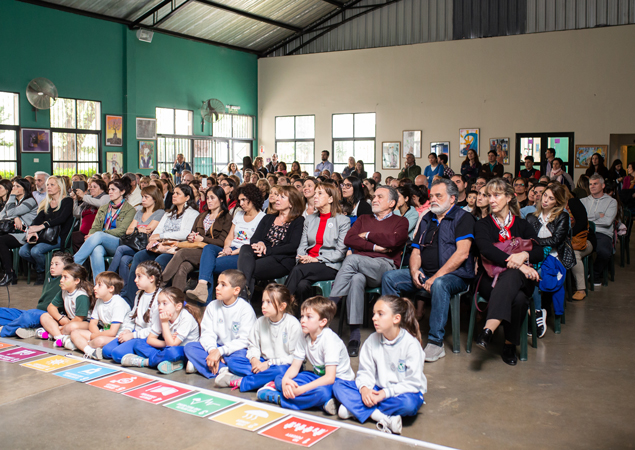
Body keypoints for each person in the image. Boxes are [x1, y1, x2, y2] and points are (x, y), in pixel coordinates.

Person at [381, 178, 475, 362]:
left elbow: (462, 254)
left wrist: (436, 277)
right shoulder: (427, 218)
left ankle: (435, 342)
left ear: (453, 199)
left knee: (440, 283)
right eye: (432, 196)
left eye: (439, 196)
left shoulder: (463, 218)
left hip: (455, 276)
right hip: (426, 273)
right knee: (389, 278)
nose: (433, 199)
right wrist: (415, 271)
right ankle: (393, 333)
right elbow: (416, 250)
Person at [328, 186, 409, 356]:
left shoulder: (401, 221)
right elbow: (349, 238)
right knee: (356, 279)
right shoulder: (363, 218)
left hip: (384, 266)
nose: (374, 199)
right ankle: (355, 336)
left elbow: (394, 240)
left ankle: (328, 308)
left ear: (392, 203)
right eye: (374, 196)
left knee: (351, 259)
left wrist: (368, 235)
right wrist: (375, 247)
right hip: (359, 267)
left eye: (380, 196)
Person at [474, 179, 544, 365]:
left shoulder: (523, 224)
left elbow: (538, 252)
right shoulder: (483, 225)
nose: (491, 200)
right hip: (491, 280)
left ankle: (488, 330)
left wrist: (523, 254)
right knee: (519, 298)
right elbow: (486, 250)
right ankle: (509, 344)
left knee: (513, 277)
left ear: (509, 197)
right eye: (489, 196)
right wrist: (519, 264)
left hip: (521, 280)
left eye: (496, 195)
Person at [333, 295, 426, 435]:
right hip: (376, 388)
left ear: (396, 319)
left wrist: (384, 393)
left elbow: (413, 383)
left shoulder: (411, 345)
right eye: (374, 314)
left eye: (380, 314)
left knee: (409, 405)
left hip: (401, 392)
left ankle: (355, 409)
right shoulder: (371, 341)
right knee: (338, 385)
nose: (374, 318)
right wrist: (364, 390)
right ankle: (381, 417)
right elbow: (365, 373)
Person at [257, 296, 354, 414]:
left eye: (309, 317)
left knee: (322, 393)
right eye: (302, 316)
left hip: (339, 381)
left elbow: (330, 378)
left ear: (322, 322)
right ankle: (321, 404)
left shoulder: (329, 339)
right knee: (280, 377)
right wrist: (286, 381)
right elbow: (294, 366)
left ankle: (279, 398)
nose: (302, 320)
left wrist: (300, 390)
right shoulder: (304, 335)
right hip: (318, 377)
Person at [214, 284, 302, 391]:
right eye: (263, 302)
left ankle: (241, 381)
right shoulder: (260, 321)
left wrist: (269, 364)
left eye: (269, 302)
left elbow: (295, 357)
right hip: (262, 362)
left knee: (281, 371)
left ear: (282, 306)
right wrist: (254, 360)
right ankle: (267, 381)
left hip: (282, 365)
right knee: (233, 362)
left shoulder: (293, 324)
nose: (263, 306)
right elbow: (253, 346)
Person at [185, 184, 265, 304]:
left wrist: (232, 252)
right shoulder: (239, 215)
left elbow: (253, 243)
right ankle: (202, 287)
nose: (241, 203)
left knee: (209, 265)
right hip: (230, 248)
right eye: (239, 200)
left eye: (244, 200)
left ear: (253, 199)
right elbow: (229, 237)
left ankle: (205, 302)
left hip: (244, 254)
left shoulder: (262, 218)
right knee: (209, 248)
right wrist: (227, 248)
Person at [123, 184, 199, 304]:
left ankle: (152, 297)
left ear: (187, 197)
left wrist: (162, 236)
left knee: (161, 259)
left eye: (178, 193)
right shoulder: (168, 213)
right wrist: (153, 240)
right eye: (173, 193)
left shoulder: (192, 213)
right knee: (139, 256)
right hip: (160, 246)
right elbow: (157, 231)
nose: (174, 195)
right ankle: (130, 298)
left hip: (174, 248)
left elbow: (185, 233)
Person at [285, 183, 350, 304]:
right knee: (302, 285)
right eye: (315, 193)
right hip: (307, 264)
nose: (315, 196)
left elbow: (340, 253)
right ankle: (301, 318)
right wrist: (301, 258)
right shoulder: (310, 219)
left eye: (320, 193)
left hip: (329, 265)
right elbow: (302, 246)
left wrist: (316, 259)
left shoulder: (342, 221)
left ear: (330, 199)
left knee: (297, 270)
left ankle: (281, 304)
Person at [184, 270, 256, 378]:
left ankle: (206, 366)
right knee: (189, 347)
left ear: (236, 290)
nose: (217, 288)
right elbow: (207, 333)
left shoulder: (245, 309)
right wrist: (213, 350)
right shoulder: (212, 306)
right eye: (218, 284)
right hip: (217, 347)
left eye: (223, 285)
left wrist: (221, 351)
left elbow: (245, 341)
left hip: (235, 351)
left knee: (237, 360)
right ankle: (223, 370)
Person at [237, 186, 305, 298]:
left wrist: (268, 250)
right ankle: (243, 295)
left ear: (291, 203)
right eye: (277, 196)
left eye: (282, 197)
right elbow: (254, 239)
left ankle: (242, 297)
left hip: (281, 259)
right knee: (245, 248)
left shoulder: (298, 221)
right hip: (262, 253)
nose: (277, 199)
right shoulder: (268, 218)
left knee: (248, 269)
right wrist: (260, 243)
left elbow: (292, 246)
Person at [161, 186, 232, 291]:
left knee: (182, 253)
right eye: (207, 198)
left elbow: (222, 242)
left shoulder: (227, 218)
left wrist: (202, 239)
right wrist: (191, 237)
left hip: (211, 252)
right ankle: (176, 298)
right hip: (195, 251)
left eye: (212, 198)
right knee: (182, 267)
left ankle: (160, 284)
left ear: (221, 199)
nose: (209, 201)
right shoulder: (202, 216)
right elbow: (192, 234)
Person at [526, 183, 573, 338]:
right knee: (523, 273)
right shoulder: (531, 217)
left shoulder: (562, 216)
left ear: (557, 202)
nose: (545, 200)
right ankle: (530, 311)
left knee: (535, 273)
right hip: (535, 256)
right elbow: (527, 240)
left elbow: (556, 240)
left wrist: (536, 241)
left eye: (550, 198)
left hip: (555, 257)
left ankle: (537, 312)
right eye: (545, 195)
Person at [121, 287, 201, 374]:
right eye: (159, 303)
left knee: (172, 352)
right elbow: (150, 339)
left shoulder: (186, 318)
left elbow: (173, 346)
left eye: (164, 303)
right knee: (139, 344)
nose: (160, 307)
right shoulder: (160, 313)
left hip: (183, 350)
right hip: (167, 346)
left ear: (178, 306)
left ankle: (145, 362)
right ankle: (170, 363)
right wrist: (167, 343)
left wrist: (164, 323)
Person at [73, 178, 136, 282]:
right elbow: (94, 227)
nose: (110, 192)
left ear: (122, 192)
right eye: (109, 189)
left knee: (99, 235)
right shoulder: (104, 208)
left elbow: (122, 230)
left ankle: (74, 263)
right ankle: (99, 284)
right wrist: (92, 235)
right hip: (100, 242)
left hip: (118, 242)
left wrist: (98, 234)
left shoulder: (130, 210)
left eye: (113, 189)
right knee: (96, 250)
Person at [102, 261, 162, 363]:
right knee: (106, 351)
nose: (135, 280)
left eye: (139, 277)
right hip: (135, 332)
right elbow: (132, 317)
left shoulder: (160, 298)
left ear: (151, 278)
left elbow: (154, 330)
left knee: (117, 354)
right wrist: (127, 330)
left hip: (145, 337)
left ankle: (144, 359)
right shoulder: (139, 294)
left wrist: (132, 336)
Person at [3, 252, 73, 338]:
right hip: (37, 311)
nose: (52, 266)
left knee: (27, 317)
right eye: (51, 264)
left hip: (48, 316)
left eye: (56, 264)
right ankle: (29, 328)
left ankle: (4, 330)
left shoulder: (66, 281)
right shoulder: (49, 275)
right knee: (4, 312)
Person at [20, 176, 74, 285]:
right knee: (23, 251)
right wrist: (33, 230)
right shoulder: (46, 202)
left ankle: (41, 273)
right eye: (48, 185)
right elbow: (37, 220)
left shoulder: (67, 200)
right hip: (45, 236)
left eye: (52, 185)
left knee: (36, 251)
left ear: (59, 187)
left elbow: (61, 219)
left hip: (59, 237)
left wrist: (42, 226)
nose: (48, 187)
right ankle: (45, 268)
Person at [108, 185, 165, 287]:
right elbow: (128, 231)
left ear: (155, 199)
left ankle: (108, 277)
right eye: (142, 196)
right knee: (124, 259)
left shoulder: (159, 212)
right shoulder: (139, 212)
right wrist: (139, 229)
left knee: (121, 249)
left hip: (146, 245)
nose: (143, 199)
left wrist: (137, 229)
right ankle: (124, 289)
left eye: (146, 197)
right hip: (135, 244)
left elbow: (148, 230)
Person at [66, 271, 129, 360]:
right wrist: (95, 334)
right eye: (95, 285)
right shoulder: (99, 300)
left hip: (119, 336)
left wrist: (94, 336)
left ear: (111, 288)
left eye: (99, 285)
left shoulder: (118, 303)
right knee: (75, 333)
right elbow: (92, 323)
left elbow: (112, 332)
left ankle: (81, 344)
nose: (94, 288)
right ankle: (90, 351)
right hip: (101, 332)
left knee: (99, 341)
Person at [36, 263, 93, 347]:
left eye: (65, 277)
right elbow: (51, 307)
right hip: (68, 320)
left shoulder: (81, 295)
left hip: (84, 323)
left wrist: (61, 326)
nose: (61, 280)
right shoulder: (64, 291)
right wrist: (60, 318)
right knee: (44, 316)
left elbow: (78, 319)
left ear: (77, 281)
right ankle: (59, 337)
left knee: (71, 327)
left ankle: (52, 333)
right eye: (62, 277)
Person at [580, 174, 617, 286]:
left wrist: (588, 220)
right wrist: (597, 215)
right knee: (573, 249)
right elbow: (580, 220)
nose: (592, 186)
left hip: (602, 233)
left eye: (595, 184)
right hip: (585, 232)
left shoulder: (611, 202)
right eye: (590, 184)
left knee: (604, 252)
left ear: (603, 185)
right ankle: (582, 273)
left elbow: (607, 222)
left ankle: (594, 274)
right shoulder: (583, 201)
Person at [0, 178, 38, 285]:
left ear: (25, 189)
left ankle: (10, 274)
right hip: (14, 232)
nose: (14, 189)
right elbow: (2, 215)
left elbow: (10, 212)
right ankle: (8, 272)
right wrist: (15, 216)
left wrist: (11, 199)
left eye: (17, 186)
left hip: (25, 234)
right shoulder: (15, 201)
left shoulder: (30, 201)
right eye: (13, 186)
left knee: (1, 241)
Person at [71, 178, 109, 252]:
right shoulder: (88, 200)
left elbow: (100, 204)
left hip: (96, 232)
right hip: (83, 232)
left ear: (102, 189)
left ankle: (85, 259)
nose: (91, 189)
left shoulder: (105, 197)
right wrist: (75, 200)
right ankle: (83, 260)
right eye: (90, 187)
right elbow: (77, 213)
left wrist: (83, 196)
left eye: (94, 187)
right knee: (71, 237)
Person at [568, 194, 593, 301]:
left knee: (574, 255)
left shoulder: (573, 202)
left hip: (582, 241)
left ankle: (581, 289)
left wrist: (567, 236)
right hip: (566, 243)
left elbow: (582, 222)